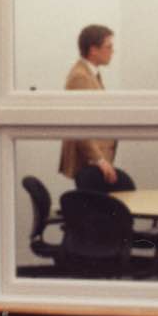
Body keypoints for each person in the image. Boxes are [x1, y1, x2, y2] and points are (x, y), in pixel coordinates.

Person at [58, 23, 133, 191]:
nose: (112, 51)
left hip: (96, 160)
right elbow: (79, 123)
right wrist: (98, 160)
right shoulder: (80, 77)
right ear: (93, 50)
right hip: (89, 162)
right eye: (109, 47)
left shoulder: (91, 73)